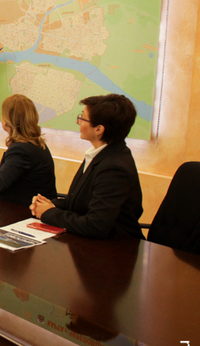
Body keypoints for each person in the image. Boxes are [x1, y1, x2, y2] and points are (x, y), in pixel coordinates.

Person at [30, 94, 143, 239]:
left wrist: (48, 213)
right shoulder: (100, 154)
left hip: (116, 246)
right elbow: (80, 203)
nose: (78, 122)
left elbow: (95, 225)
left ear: (99, 129)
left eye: (82, 118)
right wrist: (48, 204)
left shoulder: (114, 168)